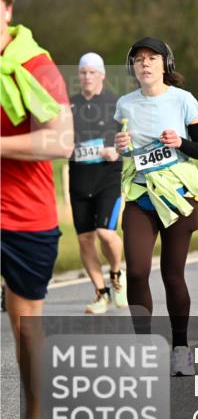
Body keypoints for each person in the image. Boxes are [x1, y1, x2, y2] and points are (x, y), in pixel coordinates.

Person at [1, 0, 73, 419]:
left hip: (24, 215)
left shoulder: (36, 68)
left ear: (6, 10)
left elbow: (60, 141)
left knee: (26, 325)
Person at [114, 37, 198, 377]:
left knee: (173, 275)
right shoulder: (125, 104)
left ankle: (181, 348)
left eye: (151, 58)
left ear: (165, 64)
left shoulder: (183, 100)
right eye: (139, 59)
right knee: (138, 271)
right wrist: (120, 145)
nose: (145, 64)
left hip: (177, 196)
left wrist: (180, 141)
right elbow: (123, 151)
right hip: (141, 195)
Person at [69, 53, 127, 314]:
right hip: (80, 180)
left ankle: (116, 274)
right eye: (83, 72)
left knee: (106, 233)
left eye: (93, 72)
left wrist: (118, 149)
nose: (87, 76)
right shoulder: (69, 105)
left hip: (108, 178)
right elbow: (58, 138)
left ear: (102, 74)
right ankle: (100, 293)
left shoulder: (116, 104)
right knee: (84, 240)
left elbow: (130, 135)